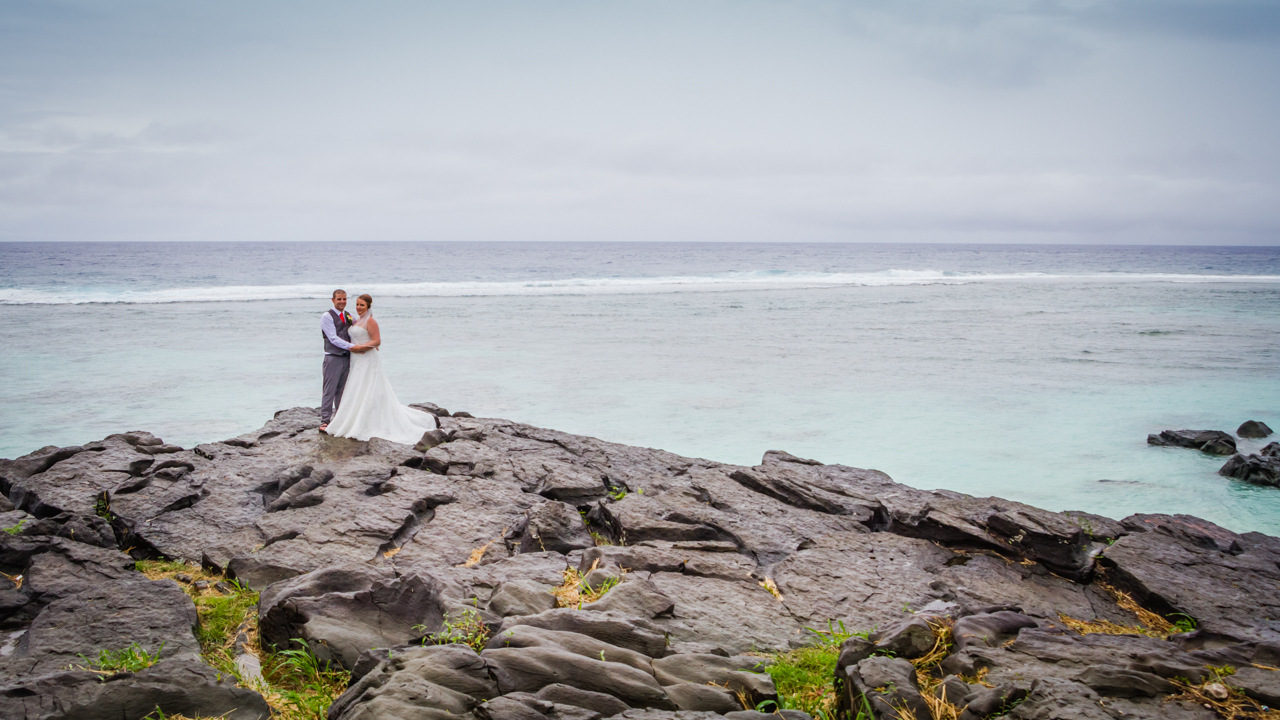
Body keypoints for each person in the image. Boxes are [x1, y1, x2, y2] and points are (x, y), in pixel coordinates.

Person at [325, 294, 438, 444]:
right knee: (356, 387)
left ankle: (368, 419)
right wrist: (356, 348)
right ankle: (353, 417)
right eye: (357, 304)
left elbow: (377, 341)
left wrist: (361, 347)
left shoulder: (370, 321)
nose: (358, 307)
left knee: (370, 387)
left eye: (362, 305)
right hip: (356, 359)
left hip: (367, 358)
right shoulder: (355, 319)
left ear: (368, 307)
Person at [319, 289, 369, 433]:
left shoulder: (348, 316)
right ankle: (325, 420)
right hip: (332, 357)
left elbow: (361, 324)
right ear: (333, 300)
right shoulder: (327, 316)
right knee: (329, 390)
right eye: (339, 299)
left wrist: (371, 342)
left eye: (344, 299)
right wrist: (354, 347)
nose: (342, 302)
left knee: (343, 391)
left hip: (346, 358)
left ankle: (340, 419)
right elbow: (333, 338)